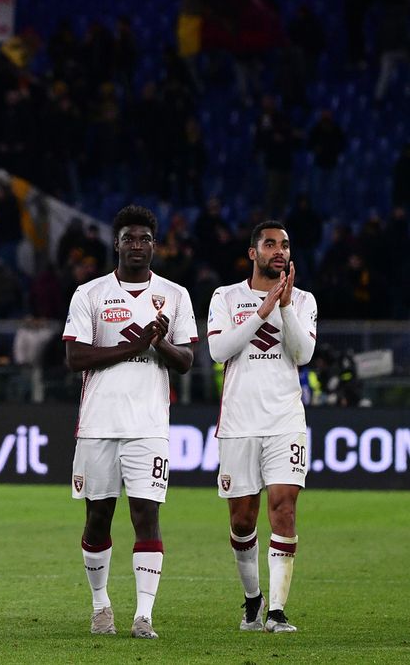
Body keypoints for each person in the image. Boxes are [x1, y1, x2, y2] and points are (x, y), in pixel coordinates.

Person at [62, 204, 197, 640]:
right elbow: (74, 357)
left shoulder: (175, 295)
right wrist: (133, 344)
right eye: (128, 239)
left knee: (147, 517)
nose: (136, 246)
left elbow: (186, 361)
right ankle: (101, 606)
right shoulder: (90, 294)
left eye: (144, 239)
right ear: (115, 244)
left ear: (153, 245)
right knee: (97, 518)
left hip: (149, 426)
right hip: (98, 425)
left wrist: (158, 343)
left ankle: (144, 615)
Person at [207, 220, 317, 633]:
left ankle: (277, 613)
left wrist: (285, 307)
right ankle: (254, 601)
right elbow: (219, 350)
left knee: (284, 509)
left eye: (285, 245)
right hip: (238, 423)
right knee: (242, 521)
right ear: (253, 253)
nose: (279, 251)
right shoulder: (226, 296)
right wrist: (263, 311)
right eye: (270, 244)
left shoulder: (304, 300)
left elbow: (302, 354)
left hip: (285, 420)